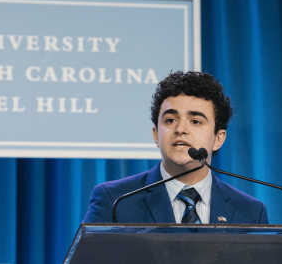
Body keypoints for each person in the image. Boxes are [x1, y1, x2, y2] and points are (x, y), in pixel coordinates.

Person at [83, 71, 268, 224]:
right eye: (170, 120)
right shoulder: (116, 200)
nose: (180, 129)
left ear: (218, 138)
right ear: (156, 135)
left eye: (195, 121)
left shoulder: (250, 212)